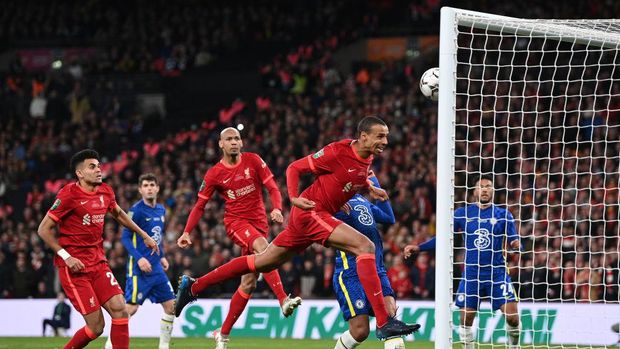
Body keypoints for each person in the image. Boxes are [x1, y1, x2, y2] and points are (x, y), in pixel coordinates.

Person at [175, 116, 420, 340]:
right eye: (380, 136)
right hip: (310, 211)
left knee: (262, 262)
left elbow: (350, 176)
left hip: (307, 219)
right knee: (364, 246)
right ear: (363, 136)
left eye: (386, 136)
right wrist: (292, 198)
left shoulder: (367, 157)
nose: (385, 141)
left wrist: (368, 186)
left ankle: (194, 286)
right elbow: (294, 168)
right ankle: (384, 321)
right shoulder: (336, 151)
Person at [179, 127, 302, 349]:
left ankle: (222, 333)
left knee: (248, 283)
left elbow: (273, 187)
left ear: (242, 142)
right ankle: (283, 299)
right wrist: (187, 231)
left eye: (237, 138)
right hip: (236, 223)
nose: (234, 142)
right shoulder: (214, 173)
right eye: (229, 139)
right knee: (264, 249)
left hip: (259, 223)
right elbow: (200, 206)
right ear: (221, 144)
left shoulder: (253, 161)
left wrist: (276, 208)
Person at [37, 149, 159, 349]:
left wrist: (143, 234)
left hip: (98, 263)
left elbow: (119, 214)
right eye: (92, 167)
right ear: (80, 173)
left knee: (121, 310)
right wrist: (66, 256)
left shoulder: (106, 191)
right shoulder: (68, 194)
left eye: (98, 165)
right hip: (74, 268)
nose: (98, 170)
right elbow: (43, 230)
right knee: (96, 327)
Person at [404, 175, 521, 349]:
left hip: (497, 272)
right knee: (466, 320)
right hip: (472, 273)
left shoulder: (503, 215)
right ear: (475, 191)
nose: (485, 189)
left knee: (512, 317)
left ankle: (514, 346)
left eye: (488, 186)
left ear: (493, 191)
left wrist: (516, 245)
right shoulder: (463, 214)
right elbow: (444, 236)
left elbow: (514, 239)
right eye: (481, 186)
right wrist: (420, 248)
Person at [332, 172, 406, 349]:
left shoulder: (363, 201)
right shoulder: (334, 202)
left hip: (378, 270)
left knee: (390, 321)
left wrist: (381, 194)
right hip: (350, 273)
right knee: (360, 331)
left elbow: (389, 218)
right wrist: (333, 202)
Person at [104, 173, 175, 349]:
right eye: (146, 185)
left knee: (171, 306)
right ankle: (110, 344)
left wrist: (163, 255)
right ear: (140, 190)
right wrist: (140, 258)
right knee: (131, 308)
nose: (149, 188)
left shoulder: (161, 210)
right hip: (138, 268)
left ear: (157, 188)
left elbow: (159, 237)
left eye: (152, 185)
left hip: (156, 268)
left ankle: (164, 347)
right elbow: (125, 238)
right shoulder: (135, 211)